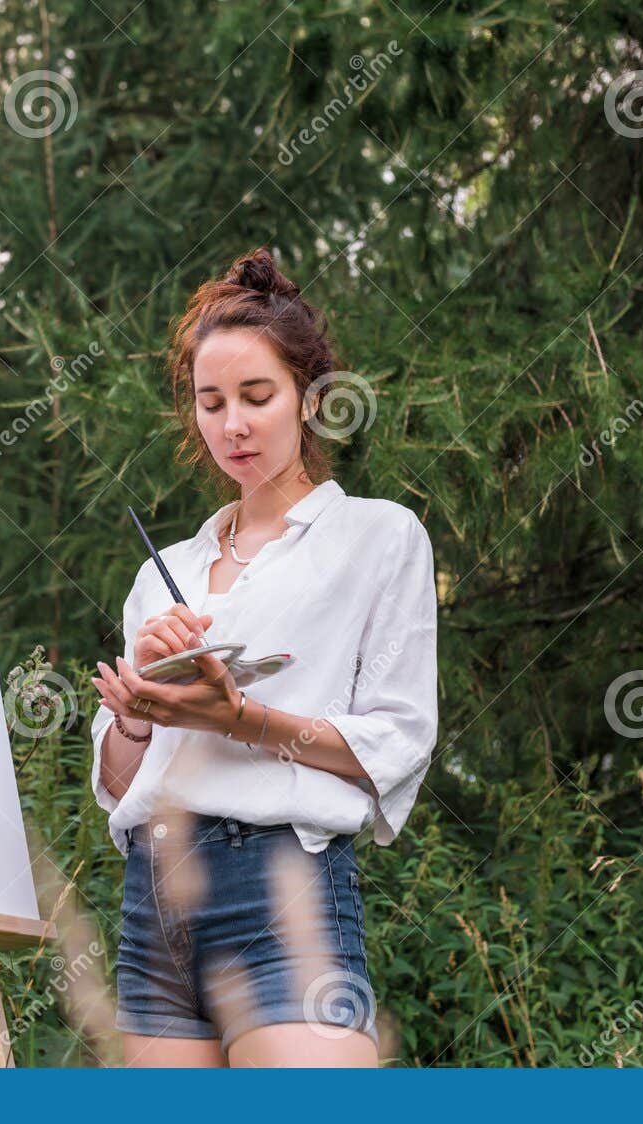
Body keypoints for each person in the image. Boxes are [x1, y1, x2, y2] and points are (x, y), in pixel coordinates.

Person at [88, 246, 439, 1067]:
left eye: (256, 396)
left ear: (309, 398)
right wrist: (136, 714)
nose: (232, 426)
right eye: (211, 403)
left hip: (284, 885)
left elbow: (396, 740)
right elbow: (115, 780)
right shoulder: (160, 573)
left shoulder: (378, 537)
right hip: (155, 898)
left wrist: (241, 719)